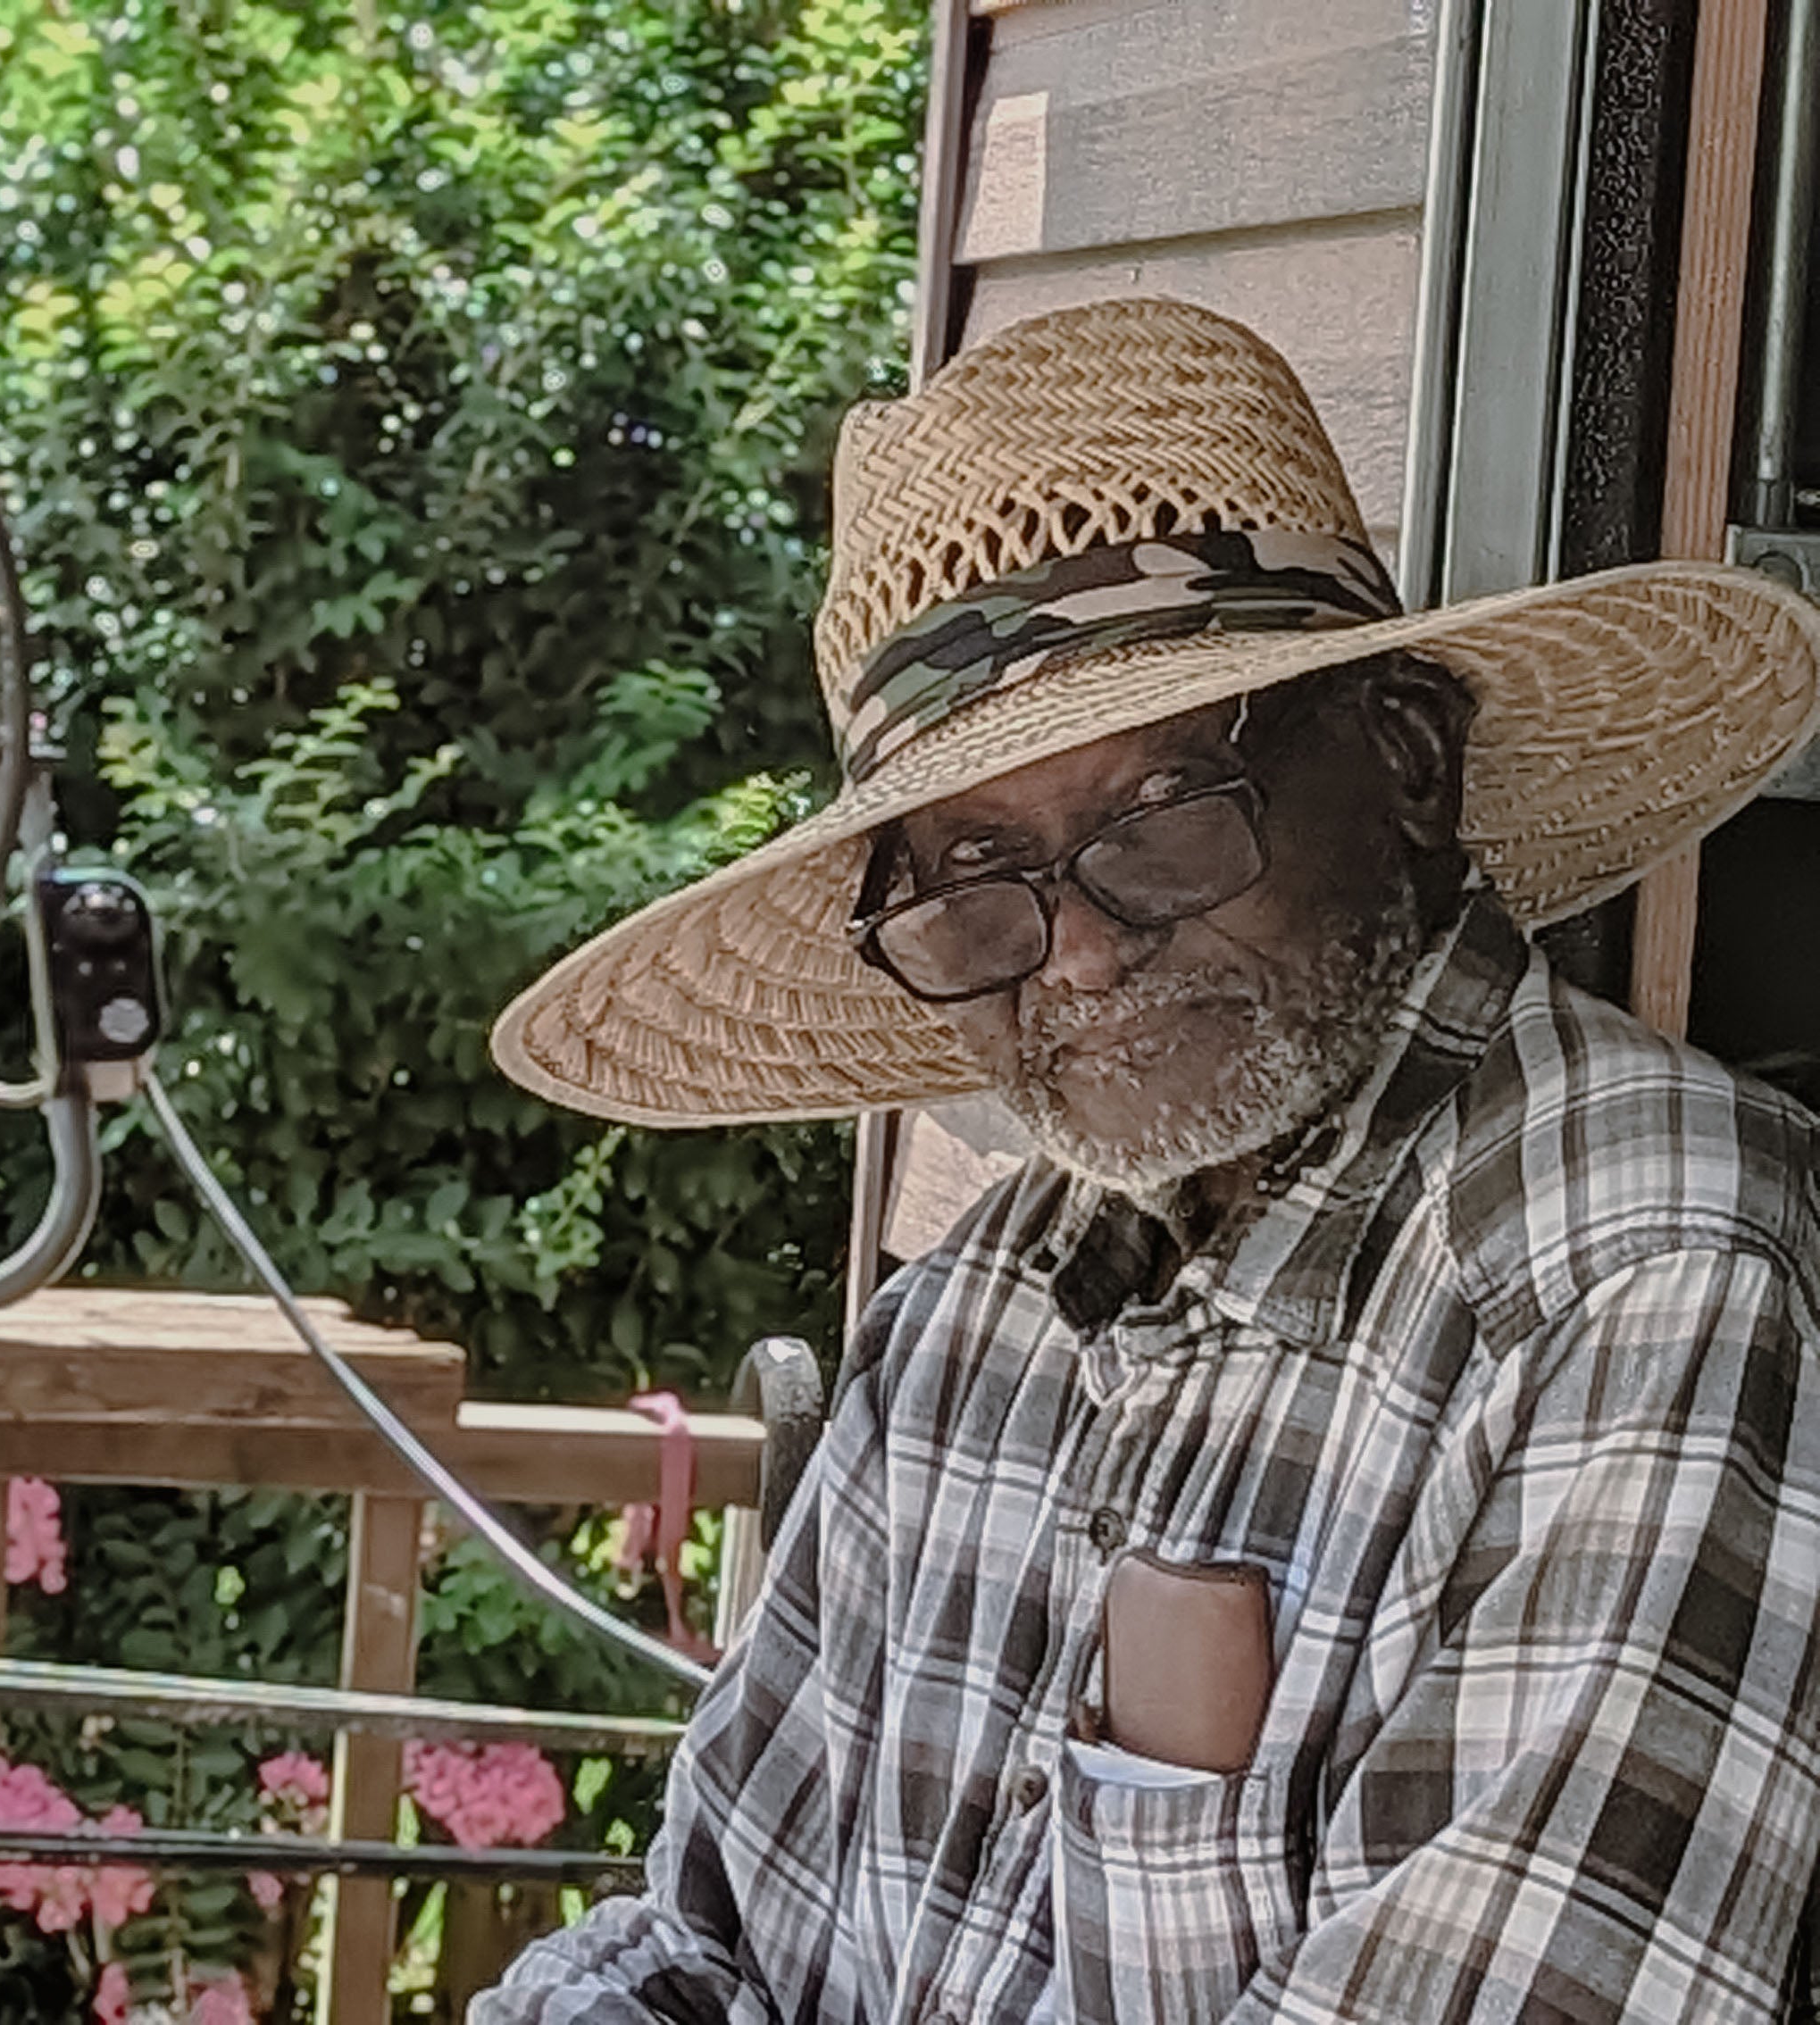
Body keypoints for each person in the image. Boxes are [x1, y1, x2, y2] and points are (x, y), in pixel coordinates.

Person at [476, 296, 1820, 2023]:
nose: (1086, 956)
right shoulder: (972, 1317)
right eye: (975, 879)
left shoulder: (1649, 1273)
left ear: (1408, 761)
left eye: (1165, 818)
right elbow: (709, 1933)